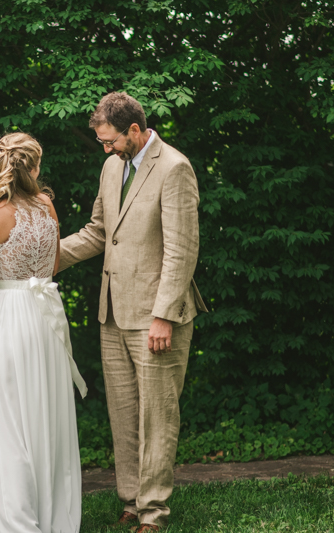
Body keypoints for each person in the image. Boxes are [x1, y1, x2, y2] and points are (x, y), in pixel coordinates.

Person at [58, 93, 208, 532]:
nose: (105, 148)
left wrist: (163, 314)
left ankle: (154, 512)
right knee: (124, 413)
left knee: (156, 415)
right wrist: (47, 257)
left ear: (136, 131)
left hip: (156, 316)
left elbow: (182, 250)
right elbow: (98, 232)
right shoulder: (111, 167)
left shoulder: (175, 168)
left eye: (110, 140)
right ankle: (130, 500)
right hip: (113, 312)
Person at [0, 132, 87, 533]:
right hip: (44, 316)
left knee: (10, 414)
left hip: (10, 316)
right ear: (33, 166)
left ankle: (12, 517)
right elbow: (50, 265)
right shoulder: (47, 204)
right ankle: (51, 513)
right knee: (44, 410)